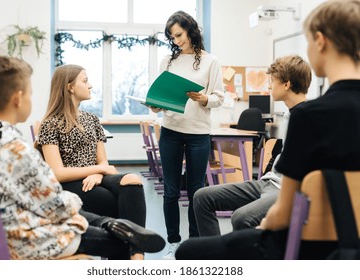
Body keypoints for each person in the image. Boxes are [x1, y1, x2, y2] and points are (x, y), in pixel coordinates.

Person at [175, 0, 360, 260]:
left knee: (188, 251)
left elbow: (283, 210)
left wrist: (265, 224)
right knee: (204, 197)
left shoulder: (310, 116)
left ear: (320, 41)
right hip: (342, 245)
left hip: (299, 243)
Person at [0, 55, 165, 260]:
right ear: (18, 99)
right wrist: (78, 209)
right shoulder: (16, 150)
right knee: (124, 242)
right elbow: (56, 207)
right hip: (34, 238)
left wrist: (97, 175)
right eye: (30, 94)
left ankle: (113, 225)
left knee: (120, 206)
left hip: (2, 231)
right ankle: (125, 241)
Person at [37, 64, 149, 260]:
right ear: (69, 86)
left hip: (96, 177)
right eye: (85, 80)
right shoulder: (50, 123)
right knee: (122, 204)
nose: (90, 86)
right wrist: (98, 169)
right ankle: (131, 258)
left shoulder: (92, 119)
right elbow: (57, 172)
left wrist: (98, 173)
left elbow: (103, 160)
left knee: (132, 180)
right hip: (70, 183)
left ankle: (137, 253)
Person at [193, 55, 311, 236]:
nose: (269, 86)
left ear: (286, 84)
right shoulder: (291, 115)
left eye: (272, 81)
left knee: (241, 218)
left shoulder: (308, 116)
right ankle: (217, 254)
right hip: (269, 181)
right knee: (202, 197)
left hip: (283, 189)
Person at [149, 10, 224, 259]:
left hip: (198, 134)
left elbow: (219, 98)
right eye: (172, 37)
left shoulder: (210, 61)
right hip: (170, 131)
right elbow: (160, 97)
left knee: (196, 192)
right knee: (170, 190)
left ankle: (193, 243)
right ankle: (173, 242)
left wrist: (205, 99)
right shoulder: (167, 61)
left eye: (179, 34)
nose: (176, 40)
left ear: (190, 30)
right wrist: (155, 104)